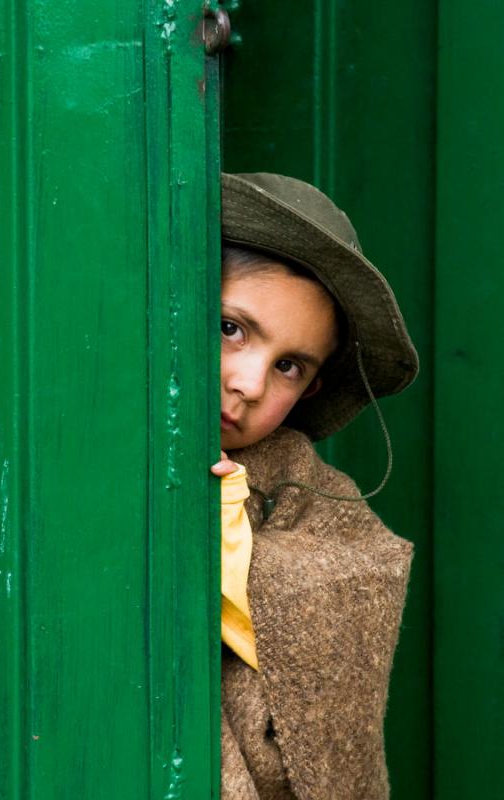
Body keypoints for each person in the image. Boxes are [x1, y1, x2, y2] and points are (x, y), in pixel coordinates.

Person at [211, 172, 419, 800]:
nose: (249, 383)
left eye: (289, 366)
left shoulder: (310, 493)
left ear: (312, 389)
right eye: (230, 328)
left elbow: (352, 576)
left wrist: (231, 541)